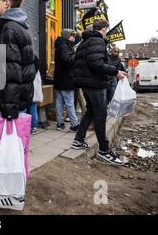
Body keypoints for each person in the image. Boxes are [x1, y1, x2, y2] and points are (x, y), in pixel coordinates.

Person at [0, 0, 36, 210]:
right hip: (19, 100)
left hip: (10, 101)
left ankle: (11, 196)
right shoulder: (22, 28)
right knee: (15, 150)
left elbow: (10, 72)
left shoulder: (8, 30)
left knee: (8, 151)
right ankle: (14, 194)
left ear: (6, 3)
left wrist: (8, 107)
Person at [72, 19, 127, 166]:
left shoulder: (85, 41)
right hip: (95, 83)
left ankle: (78, 140)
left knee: (90, 111)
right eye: (106, 30)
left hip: (86, 82)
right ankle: (104, 150)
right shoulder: (98, 40)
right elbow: (96, 63)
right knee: (100, 115)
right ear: (103, 29)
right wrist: (115, 72)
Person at [54, 29, 80, 132]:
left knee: (59, 102)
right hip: (66, 79)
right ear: (66, 36)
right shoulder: (64, 46)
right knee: (69, 102)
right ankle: (74, 125)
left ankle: (60, 123)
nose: (73, 37)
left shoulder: (61, 45)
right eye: (72, 35)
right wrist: (76, 55)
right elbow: (67, 61)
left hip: (60, 79)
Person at [28, 56, 42, 135]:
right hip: (33, 89)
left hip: (26, 89)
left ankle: (25, 126)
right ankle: (33, 127)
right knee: (33, 106)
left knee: (25, 108)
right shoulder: (34, 57)